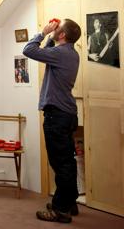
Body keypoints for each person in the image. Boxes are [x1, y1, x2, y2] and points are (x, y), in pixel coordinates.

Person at [23, 18, 81, 224]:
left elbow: (29, 50)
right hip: (66, 115)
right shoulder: (69, 53)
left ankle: (60, 210)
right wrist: (50, 37)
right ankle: (69, 201)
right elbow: (46, 55)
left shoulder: (61, 53)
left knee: (61, 162)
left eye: (58, 29)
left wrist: (43, 32)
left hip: (57, 116)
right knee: (67, 161)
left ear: (62, 35)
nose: (55, 30)